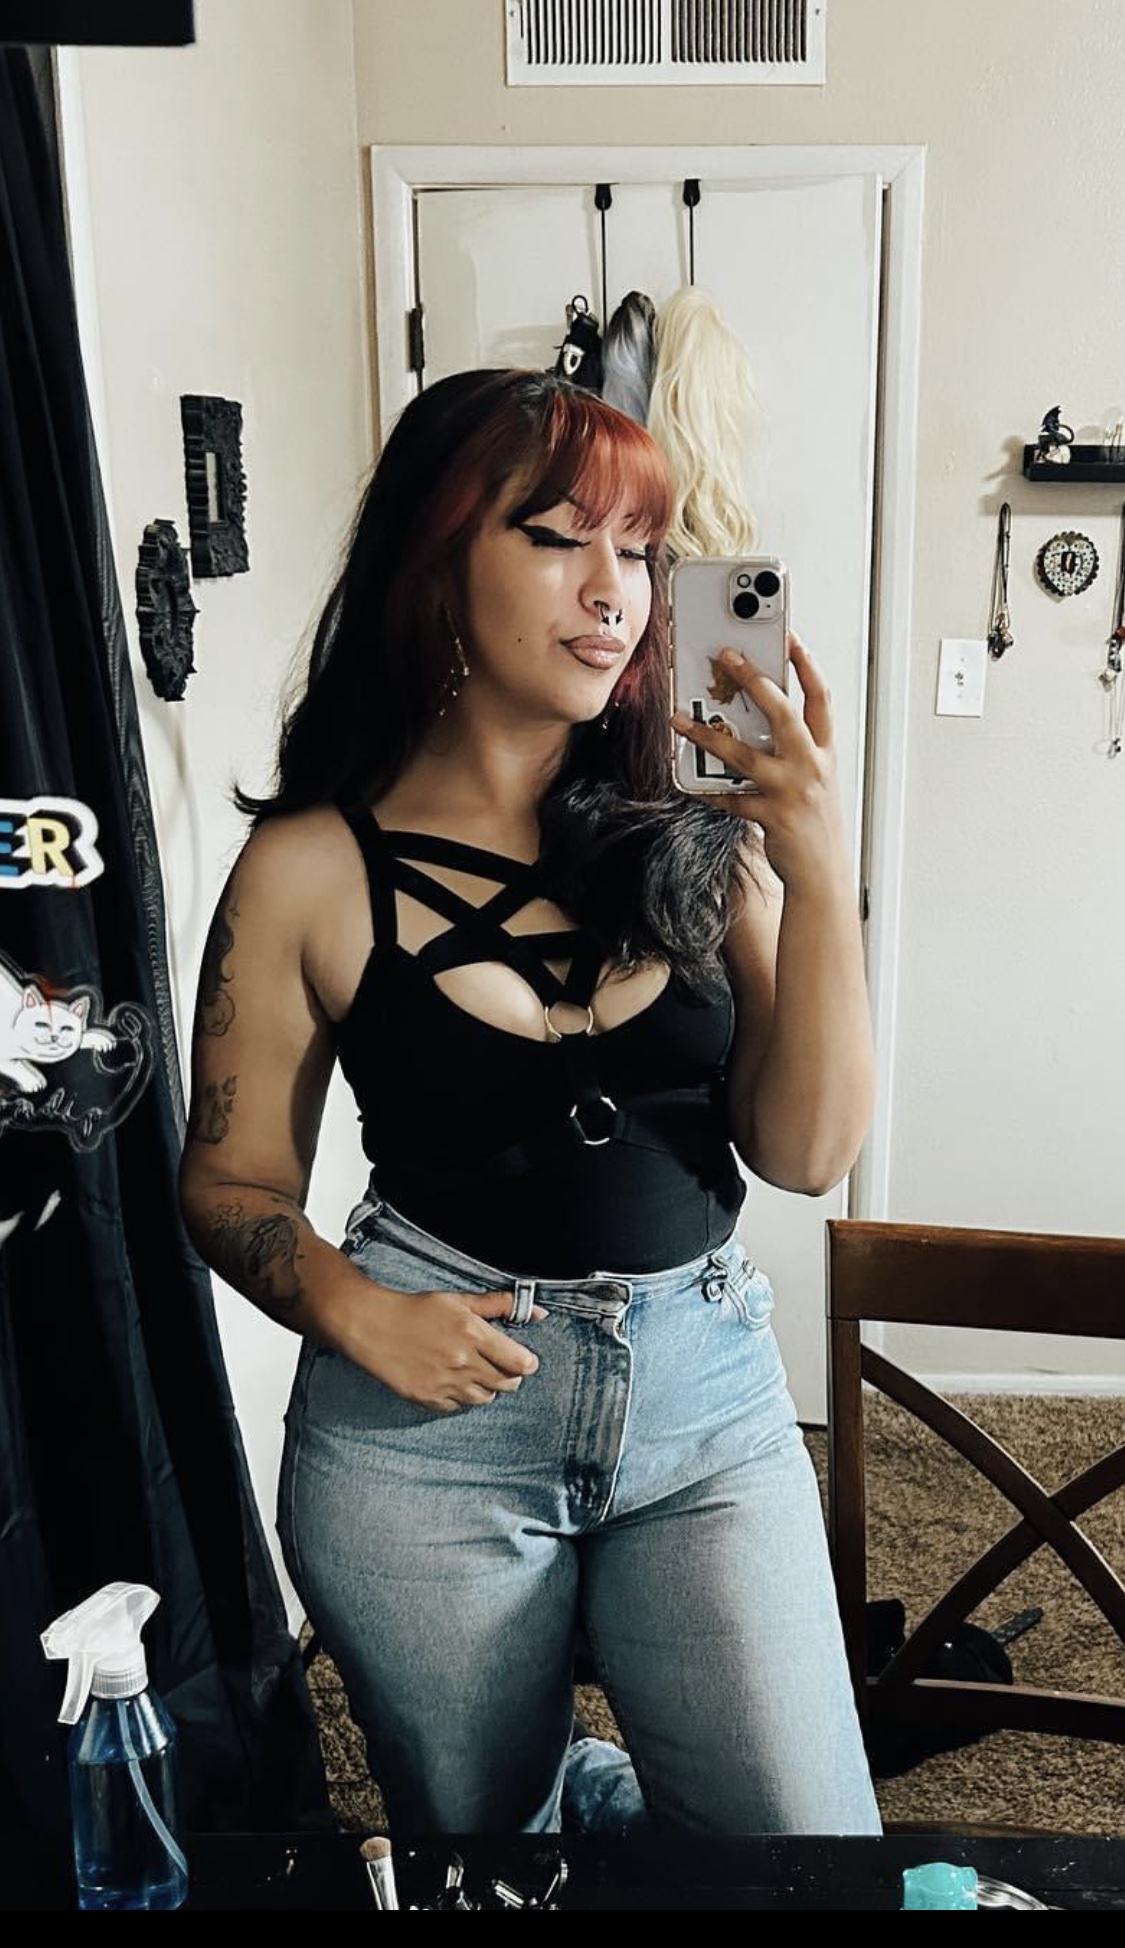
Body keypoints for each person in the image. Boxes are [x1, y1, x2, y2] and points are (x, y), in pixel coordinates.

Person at [178, 368, 881, 1841]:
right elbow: (229, 1184)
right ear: (436, 563)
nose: (615, 590)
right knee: (490, 1854)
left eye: (640, 549)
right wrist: (354, 1310)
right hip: (422, 1437)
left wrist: (816, 873)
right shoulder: (307, 867)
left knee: (799, 1851)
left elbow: (808, 1152)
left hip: (703, 1404)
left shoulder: (702, 834)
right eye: (559, 537)